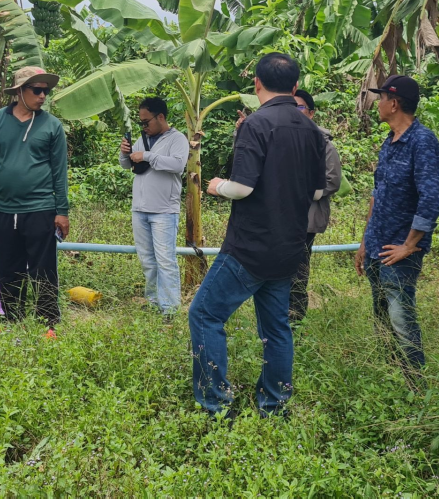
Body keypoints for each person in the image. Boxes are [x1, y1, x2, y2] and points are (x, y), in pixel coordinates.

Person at [190, 52, 326, 419]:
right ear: (296, 87)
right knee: (277, 327)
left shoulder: (255, 124)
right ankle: (273, 404)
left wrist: (216, 185)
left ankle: (215, 404)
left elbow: (243, 188)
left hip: (249, 249)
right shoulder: (313, 132)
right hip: (289, 248)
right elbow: (316, 192)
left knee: (204, 314)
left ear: (257, 84)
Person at [356, 74, 439, 379]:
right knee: (381, 314)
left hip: (400, 250)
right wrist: (365, 241)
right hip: (378, 245)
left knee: (400, 317)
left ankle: (417, 384)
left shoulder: (422, 142)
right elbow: (377, 193)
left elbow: (431, 198)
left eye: (381, 98)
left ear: (393, 104)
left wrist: (410, 244)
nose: (377, 103)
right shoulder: (389, 142)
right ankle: (392, 375)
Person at [0, 66, 70, 338]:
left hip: (40, 208)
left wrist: (62, 211)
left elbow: (60, 172)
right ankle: (13, 318)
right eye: (36, 90)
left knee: (44, 268)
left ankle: (47, 322)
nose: (42, 96)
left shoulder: (51, 126)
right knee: (7, 267)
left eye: (45, 91)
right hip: (4, 209)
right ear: (19, 92)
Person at [119, 97, 190, 316]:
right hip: (139, 208)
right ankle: (153, 302)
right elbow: (126, 164)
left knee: (165, 259)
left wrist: (147, 155)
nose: (144, 126)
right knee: (147, 259)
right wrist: (124, 152)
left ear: (161, 117)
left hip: (164, 211)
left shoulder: (177, 139)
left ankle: (169, 308)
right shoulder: (143, 138)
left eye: (146, 121)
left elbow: (178, 164)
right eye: (141, 122)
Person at [288, 89, 343, 325]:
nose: (294, 113)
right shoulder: (281, 138)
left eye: (299, 107)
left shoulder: (324, 145)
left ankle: (295, 319)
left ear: (311, 113)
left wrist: (294, 190)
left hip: (306, 217)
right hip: (280, 216)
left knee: (297, 270)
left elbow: (332, 180)